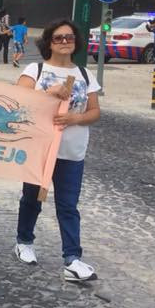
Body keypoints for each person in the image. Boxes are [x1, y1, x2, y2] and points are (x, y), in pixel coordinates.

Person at [14, 19, 101, 283]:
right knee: (32, 197)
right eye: (59, 38)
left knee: (68, 205)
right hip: (39, 148)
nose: (65, 42)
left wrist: (75, 119)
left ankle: (72, 258)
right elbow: (19, 101)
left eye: (70, 38)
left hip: (72, 151)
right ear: (49, 42)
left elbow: (95, 111)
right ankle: (24, 241)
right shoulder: (35, 69)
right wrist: (48, 92)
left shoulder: (86, 75)